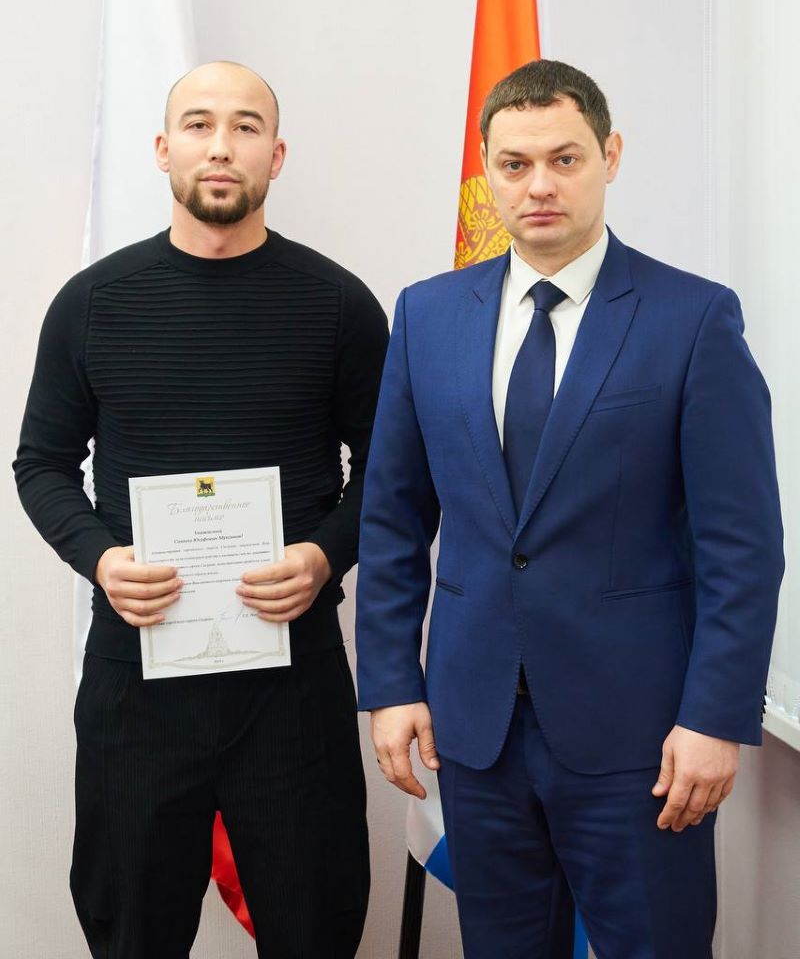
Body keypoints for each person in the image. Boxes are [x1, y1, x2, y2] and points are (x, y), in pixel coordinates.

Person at [356, 59, 784, 959]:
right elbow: (394, 518)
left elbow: (742, 547)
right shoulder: (428, 315)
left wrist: (715, 716)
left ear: (609, 156)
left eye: (565, 158)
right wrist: (391, 683)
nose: (540, 185)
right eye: (514, 165)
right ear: (487, 170)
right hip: (475, 731)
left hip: (642, 737)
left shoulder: (693, 318)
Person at [15, 61, 388, 959]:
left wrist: (324, 556)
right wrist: (102, 559)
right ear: (162, 149)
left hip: (292, 681)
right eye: (199, 124)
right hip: (136, 678)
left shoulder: (339, 304)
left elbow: (394, 474)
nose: (221, 146)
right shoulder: (92, 303)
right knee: (132, 932)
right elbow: (42, 465)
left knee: (315, 929)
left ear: (276, 155)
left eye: (246, 126)